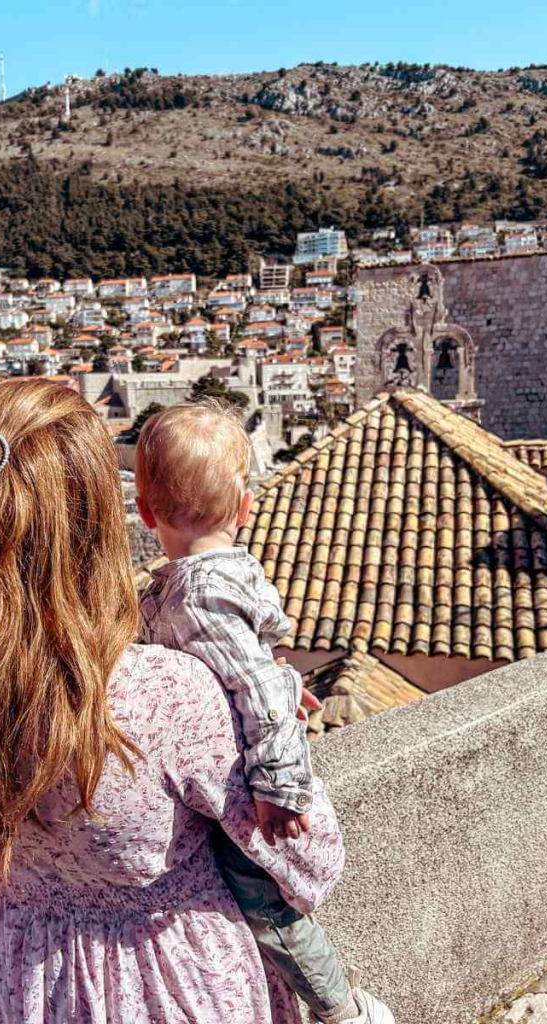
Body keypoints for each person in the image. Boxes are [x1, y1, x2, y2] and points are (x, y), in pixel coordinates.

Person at [0, 380, 355, 1023]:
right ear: (99, 521)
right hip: (180, 984)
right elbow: (308, 860)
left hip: (29, 982)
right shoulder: (169, 694)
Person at [135, 399, 394, 1024]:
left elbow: (249, 684)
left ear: (143, 513)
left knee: (263, 906)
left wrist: (279, 786)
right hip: (233, 774)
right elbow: (253, 674)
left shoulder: (199, 596)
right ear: (245, 508)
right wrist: (281, 685)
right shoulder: (202, 583)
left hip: (257, 788)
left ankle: (342, 1010)